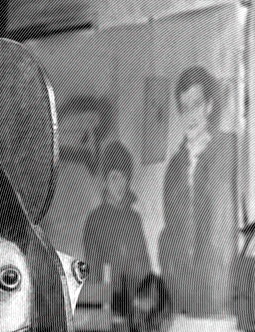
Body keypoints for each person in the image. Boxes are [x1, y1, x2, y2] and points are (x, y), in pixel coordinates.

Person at [158, 65, 239, 317]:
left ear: (209, 106)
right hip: (185, 298)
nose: (191, 114)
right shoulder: (174, 167)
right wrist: (172, 281)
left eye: (196, 104)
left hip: (224, 296)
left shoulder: (229, 150)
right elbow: (170, 232)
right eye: (184, 107)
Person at [82, 140, 152, 319]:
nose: (120, 184)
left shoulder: (134, 219)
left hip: (136, 306)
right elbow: (93, 272)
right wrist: (100, 310)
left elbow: (144, 264)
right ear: (105, 181)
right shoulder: (95, 221)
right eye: (114, 177)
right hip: (109, 306)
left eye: (124, 177)